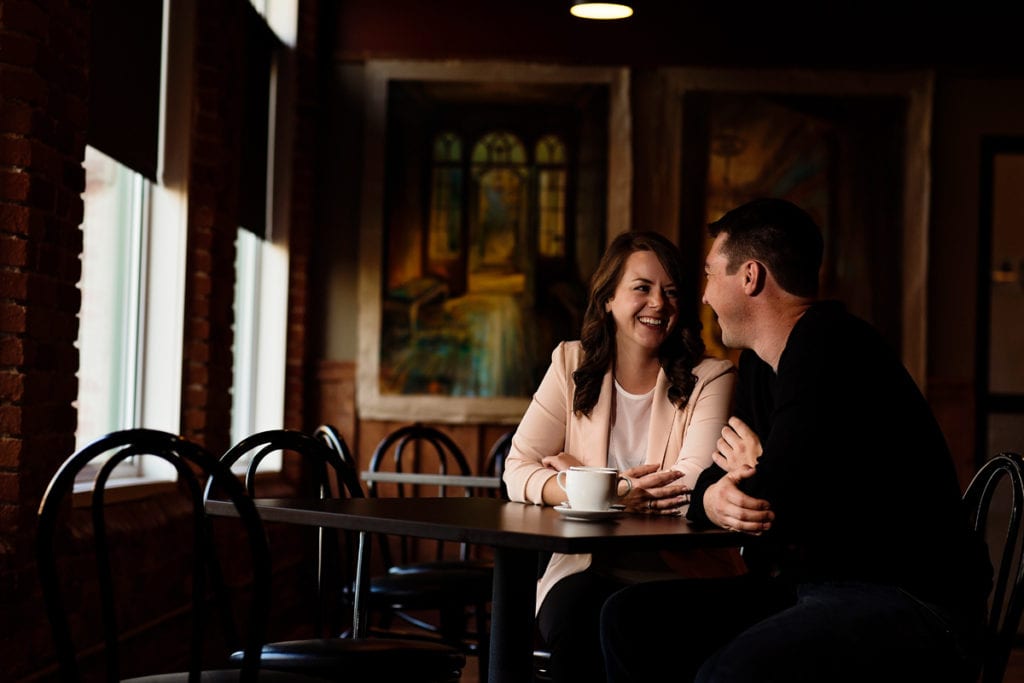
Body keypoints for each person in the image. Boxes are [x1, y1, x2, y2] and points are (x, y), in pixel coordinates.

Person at [599, 198, 993, 682]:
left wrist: (758, 479)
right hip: (815, 585)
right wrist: (715, 494)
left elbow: (773, 502)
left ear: (750, 277)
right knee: (629, 619)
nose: (703, 296)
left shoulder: (831, 345)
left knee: (731, 673)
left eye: (709, 275)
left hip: (912, 601)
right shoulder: (761, 368)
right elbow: (723, 485)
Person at [502, 230, 736, 683]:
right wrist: (594, 488)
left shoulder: (712, 376)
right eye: (642, 288)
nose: (658, 304)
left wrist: (589, 482)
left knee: (639, 628)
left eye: (670, 292)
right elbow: (517, 469)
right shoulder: (570, 364)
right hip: (582, 570)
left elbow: (688, 486)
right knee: (580, 618)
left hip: (681, 574)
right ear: (608, 298)